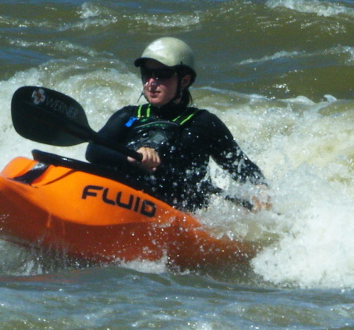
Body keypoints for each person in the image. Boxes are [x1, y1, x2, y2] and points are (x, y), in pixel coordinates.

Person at [86, 37, 266, 212]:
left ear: (184, 81)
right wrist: (130, 157)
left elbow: (241, 167)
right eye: (147, 74)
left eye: (162, 75)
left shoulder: (203, 123)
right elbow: (94, 150)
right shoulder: (130, 116)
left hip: (179, 213)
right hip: (128, 201)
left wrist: (261, 190)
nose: (151, 82)